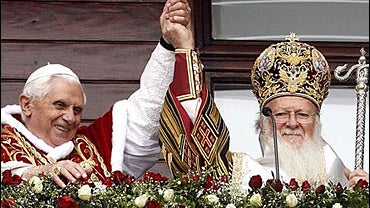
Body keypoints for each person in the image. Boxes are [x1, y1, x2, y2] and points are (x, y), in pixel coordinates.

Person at [1, 0, 192, 188]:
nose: (69, 118)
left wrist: (169, 44)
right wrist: (38, 172)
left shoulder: (95, 145)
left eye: (77, 110)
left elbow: (147, 112)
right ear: (27, 104)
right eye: (59, 105)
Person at [159, 31, 369, 188]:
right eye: (281, 114)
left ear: (317, 122)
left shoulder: (342, 180)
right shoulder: (242, 175)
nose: (293, 123)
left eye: (303, 114)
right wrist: (184, 49)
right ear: (263, 122)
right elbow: (197, 155)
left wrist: (361, 197)